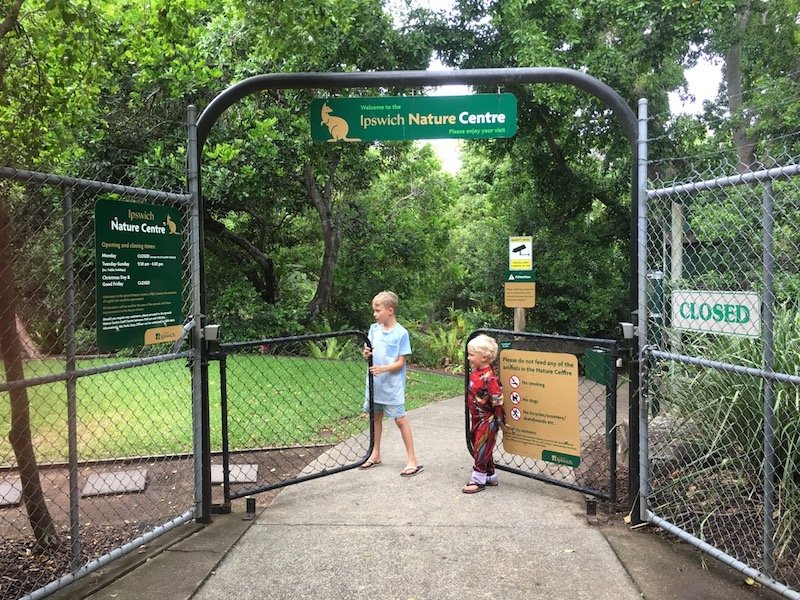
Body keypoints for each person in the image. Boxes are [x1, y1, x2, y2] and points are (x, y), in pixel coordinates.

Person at [360, 291, 423, 477]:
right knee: (376, 417)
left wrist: (383, 369)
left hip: (392, 386)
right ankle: (375, 453)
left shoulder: (401, 333)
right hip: (374, 385)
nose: (374, 314)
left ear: (390, 310)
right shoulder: (374, 329)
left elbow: (400, 362)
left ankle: (412, 460)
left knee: (400, 419)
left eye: (377, 310)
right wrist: (366, 355)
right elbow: (368, 352)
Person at [463, 334, 504, 494]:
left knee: (481, 446)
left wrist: (499, 419)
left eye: (472, 355)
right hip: (477, 418)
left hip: (488, 420)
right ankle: (490, 474)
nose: (468, 358)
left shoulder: (490, 379)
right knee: (479, 444)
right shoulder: (476, 373)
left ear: (485, 357)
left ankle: (478, 479)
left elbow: (497, 401)